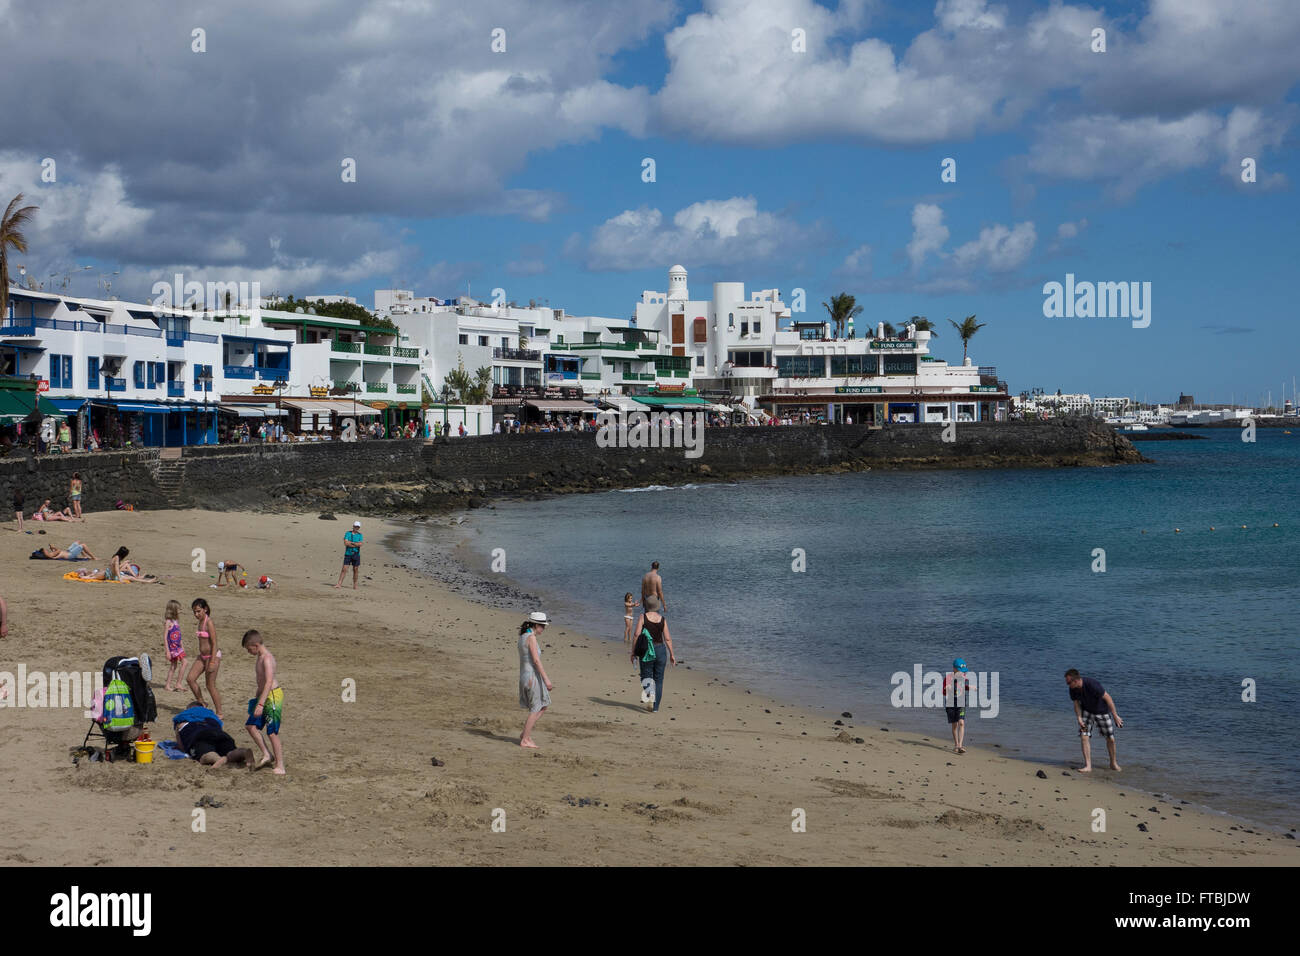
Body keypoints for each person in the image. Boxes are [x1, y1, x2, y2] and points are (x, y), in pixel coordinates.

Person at [242, 629, 285, 774]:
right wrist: (256, 700)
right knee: (251, 726)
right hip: (263, 696)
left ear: (255, 645)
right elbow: (260, 684)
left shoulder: (267, 658)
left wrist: (260, 704)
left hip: (273, 696)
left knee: (272, 732)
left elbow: (268, 682)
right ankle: (267, 754)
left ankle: (280, 766)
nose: (249, 652)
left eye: (249, 649)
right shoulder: (259, 657)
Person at [1065, 668, 1123, 772]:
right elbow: (1076, 704)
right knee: (1084, 737)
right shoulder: (1072, 689)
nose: (1067, 685)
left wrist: (1115, 716)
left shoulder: (1092, 684)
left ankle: (1113, 763)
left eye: (1069, 682)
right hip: (1086, 712)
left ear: (1076, 680)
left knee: (1110, 738)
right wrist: (1079, 718)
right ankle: (1088, 766)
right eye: (1067, 683)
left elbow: (1108, 698)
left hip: (1102, 712)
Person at [631, 595, 676, 712]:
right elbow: (667, 638)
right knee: (659, 680)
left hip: (647, 651)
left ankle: (650, 694)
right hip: (661, 650)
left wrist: (633, 652)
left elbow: (636, 635)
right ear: (657, 606)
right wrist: (672, 654)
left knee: (645, 676)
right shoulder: (662, 619)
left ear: (647, 606)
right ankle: (655, 708)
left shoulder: (643, 617)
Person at [173, 702, 252, 768]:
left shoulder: (182, 718)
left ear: (188, 709)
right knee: (230, 752)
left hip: (200, 735)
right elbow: (220, 727)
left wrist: (183, 749)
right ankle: (243, 752)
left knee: (205, 755)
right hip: (220, 734)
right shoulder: (211, 715)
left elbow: (181, 744)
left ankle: (217, 759)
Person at [518, 611, 553, 748]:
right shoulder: (531, 637)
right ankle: (525, 739)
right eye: (542, 626)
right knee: (536, 708)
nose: (543, 629)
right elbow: (536, 661)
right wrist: (547, 680)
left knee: (543, 705)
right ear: (536, 625)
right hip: (531, 677)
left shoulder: (522, 635)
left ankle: (525, 733)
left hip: (525, 676)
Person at [187, 598, 223, 719]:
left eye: (198, 611)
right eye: (194, 612)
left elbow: (214, 643)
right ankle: (202, 702)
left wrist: (212, 661)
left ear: (205, 609)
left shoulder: (209, 623)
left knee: (210, 685)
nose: (196, 614)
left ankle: (219, 712)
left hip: (212, 656)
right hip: (202, 656)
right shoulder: (200, 622)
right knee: (190, 679)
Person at [944, 658, 973, 754]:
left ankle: (960, 745)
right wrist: (947, 688)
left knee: (961, 723)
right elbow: (944, 692)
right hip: (951, 704)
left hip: (961, 703)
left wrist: (969, 687)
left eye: (964, 672)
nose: (963, 673)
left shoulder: (963, 677)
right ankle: (956, 744)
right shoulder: (948, 678)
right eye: (961, 671)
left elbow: (962, 687)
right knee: (955, 725)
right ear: (954, 669)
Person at [163, 599, 186, 692]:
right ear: (173, 610)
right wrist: (167, 651)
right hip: (172, 648)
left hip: (178, 646)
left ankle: (171, 684)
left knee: (176, 665)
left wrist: (182, 646)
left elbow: (178, 634)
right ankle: (176, 684)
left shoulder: (176, 621)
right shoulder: (168, 622)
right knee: (181, 664)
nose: (180, 611)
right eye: (179, 609)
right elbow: (165, 637)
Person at [335, 521, 362, 589]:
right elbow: (346, 543)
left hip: (356, 554)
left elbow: (360, 544)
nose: (356, 527)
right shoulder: (348, 533)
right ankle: (339, 584)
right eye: (355, 526)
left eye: (357, 527)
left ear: (359, 527)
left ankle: (355, 585)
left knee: (355, 569)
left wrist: (352, 543)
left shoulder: (360, 535)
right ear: (353, 526)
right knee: (344, 569)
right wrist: (355, 544)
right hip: (348, 554)